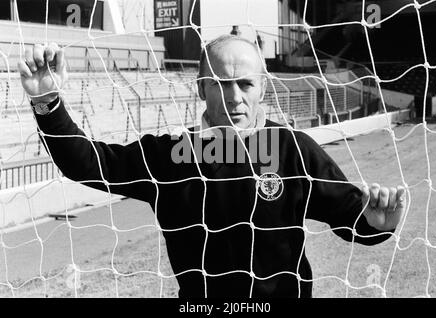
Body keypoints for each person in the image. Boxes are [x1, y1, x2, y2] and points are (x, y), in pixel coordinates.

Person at [18, 35, 406, 298]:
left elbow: (350, 219)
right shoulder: (168, 154)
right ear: (201, 86)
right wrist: (47, 102)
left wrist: (376, 224)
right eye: (220, 83)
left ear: (264, 87)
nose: (234, 96)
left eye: (245, 84)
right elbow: (87, 164)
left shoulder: (293, 150)